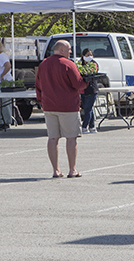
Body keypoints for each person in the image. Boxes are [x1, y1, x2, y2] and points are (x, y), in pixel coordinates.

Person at [35, 40, 88, 178]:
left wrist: (42, 101)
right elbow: (78, 84)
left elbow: (38, 85)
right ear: (62, 50)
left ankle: (56, 170)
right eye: (69, 49)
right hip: (68, 107)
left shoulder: (43, 64)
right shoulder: (68, 64)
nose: (70, 51)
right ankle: (72, 169)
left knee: (53, 138)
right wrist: (87, 80)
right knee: (71, 138)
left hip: (49, 106)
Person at [78, 48, 100, 134]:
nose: (90, 57)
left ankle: (84, 127)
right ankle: (92, 127)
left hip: (92, 89)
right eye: (87, 55)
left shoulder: (93, 64)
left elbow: (92, 71)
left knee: (88, 109)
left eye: (91, 55)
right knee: (88, 109)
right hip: (83, 90)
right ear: (83, 56)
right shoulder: (79, 64)